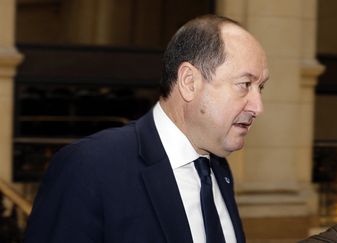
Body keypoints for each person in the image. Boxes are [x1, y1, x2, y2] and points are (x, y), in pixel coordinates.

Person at [24, 14, 269, 243]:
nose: (258, 107)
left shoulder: (217, 168)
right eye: (245, 84)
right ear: (189, 82)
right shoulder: (89, 167)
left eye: (261, 87)